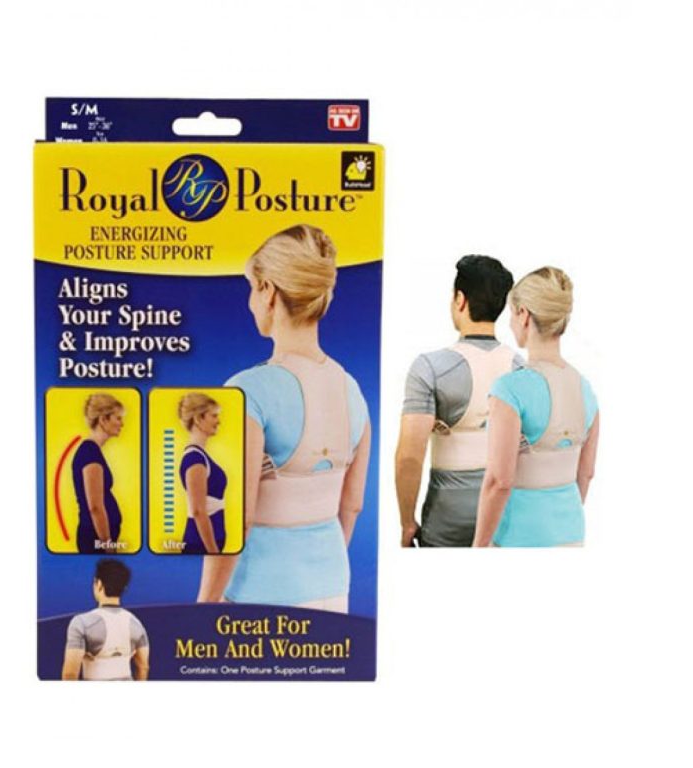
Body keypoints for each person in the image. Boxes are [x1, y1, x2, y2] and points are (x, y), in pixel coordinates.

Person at [197, 224, 371, 613]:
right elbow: (352, 504)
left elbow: (237, 519)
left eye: (251, 288)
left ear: (268, 291)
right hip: (333, 590)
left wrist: (204, 605)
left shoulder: (247, 391)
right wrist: (317, 574)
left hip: (258, 595)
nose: (250, 303)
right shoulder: (352, 390)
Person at [395, 255, 520, 547]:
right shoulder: (521, 369)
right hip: (505, 517)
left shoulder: (431, 368)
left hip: (446, 522)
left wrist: (407, 522)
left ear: (460, 300)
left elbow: (409, 457)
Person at [473, 267, 599, 547]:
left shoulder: (509, 389)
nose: (510, 324)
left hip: (518, 538)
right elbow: (586, 472)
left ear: (524, 315)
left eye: (511, 314)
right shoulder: (586, 389)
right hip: (572, 536)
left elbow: (499, 481)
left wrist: (478, 547)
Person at [62, 559, 149, 680]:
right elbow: (143, 667)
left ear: (99, 584)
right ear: (124, 588)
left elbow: (70, 674)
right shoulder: (136, 624)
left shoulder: (82, 623)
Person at [71, 393, 124, 554]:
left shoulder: (92, 451)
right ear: (103, 420)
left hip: (97, 538)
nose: (122, 424)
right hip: (95, 539)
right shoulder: (90, 453)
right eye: (118, 418)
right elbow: (95, 507)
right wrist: (107, 545)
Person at [178, 393, 227, 554]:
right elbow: (198, 511)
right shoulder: (195, 459)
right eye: (214, 415)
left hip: (209, 543)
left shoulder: (201, 456)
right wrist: (213, 552)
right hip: (200, 544)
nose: (218, 421)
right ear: (198, 419)